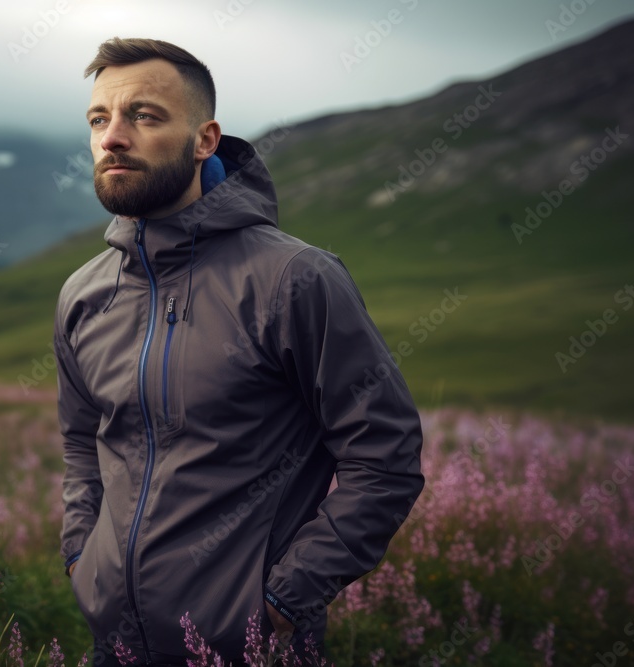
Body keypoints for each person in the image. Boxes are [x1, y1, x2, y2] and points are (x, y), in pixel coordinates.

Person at [54, 37, 424, 665]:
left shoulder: (296, 279)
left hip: (254, 648)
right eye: (99, 119)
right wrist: (81, 558)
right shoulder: (85, 294)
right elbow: (81, 441)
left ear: (205, 140)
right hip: (114, 645)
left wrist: (282, 600)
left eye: (143, 115)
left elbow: (384, 458)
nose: (112, 137)